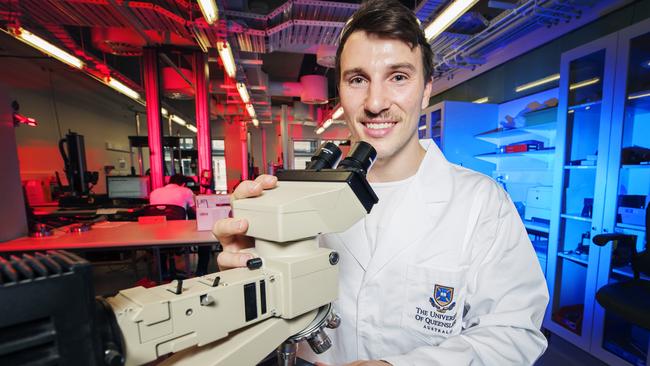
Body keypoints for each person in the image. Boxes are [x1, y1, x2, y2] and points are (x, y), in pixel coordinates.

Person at [212, 0, 549, 364]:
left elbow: (514, 333)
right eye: (358, 79)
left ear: (425, 89)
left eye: (399, 77)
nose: (375, 103)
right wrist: (246, 275)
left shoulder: (482, 204)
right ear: (340, 90)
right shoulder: (302, 202)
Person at [150, 173, 211, 276]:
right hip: (180, 236)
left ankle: (163, 272)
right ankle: (201, 272)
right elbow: (197, 211)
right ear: (183, 184)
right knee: (205, 240)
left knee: (161, 239)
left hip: (156, 237)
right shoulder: (186, 191)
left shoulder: (154, 192)